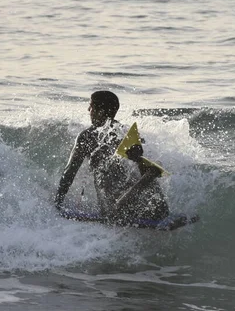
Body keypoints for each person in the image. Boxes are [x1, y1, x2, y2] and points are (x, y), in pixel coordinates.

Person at [54, 91, 169, 223]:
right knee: (160, 211)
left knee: (112, 215)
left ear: (100, 111)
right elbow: (143, 155)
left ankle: (148, 176)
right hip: (136, 198)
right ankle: (149, 177)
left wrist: (58, 203)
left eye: (90, 106)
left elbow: (69, 172)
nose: (88, 110)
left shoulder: (87, 137)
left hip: (115, 205)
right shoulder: (125, 133)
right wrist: (137, 156)